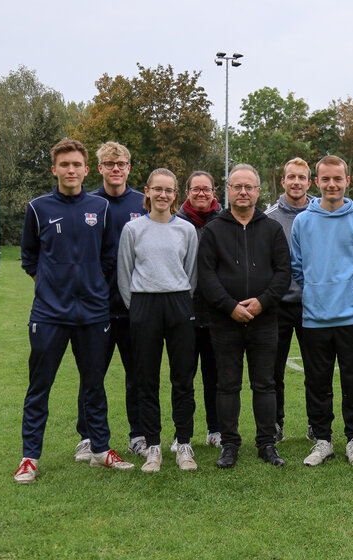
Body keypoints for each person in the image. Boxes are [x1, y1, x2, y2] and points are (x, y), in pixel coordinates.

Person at [15, 138, 134, 483]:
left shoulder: (100, 207)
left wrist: (92, 285)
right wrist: (51, 287)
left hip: (94, 314)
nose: (70, 170)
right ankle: (29, 458)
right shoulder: (38, 208)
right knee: (39, 386)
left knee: (94, 385)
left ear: (85, 169)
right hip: (49, 316)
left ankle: (100, 449)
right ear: (54, 169)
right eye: (64, 165)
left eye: (76, 165)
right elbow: (28, 257)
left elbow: (109, 257)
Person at [198, 164, 291, 469]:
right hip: (225, 322)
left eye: (249, 187)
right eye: (237, 186)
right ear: (228, 190)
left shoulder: (272, 228)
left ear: (258, 191)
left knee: (265, 384)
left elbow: (283, 273)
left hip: (264, 321)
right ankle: (230, 444)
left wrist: (261, 303)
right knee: (227, 385)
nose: (243, 192)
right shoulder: (213, 229)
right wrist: (230, 306)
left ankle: (266, 443)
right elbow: (206, 275)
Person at [290, 155, 353, 467]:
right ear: (316, 182)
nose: (332, 184)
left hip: (352, 317)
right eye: (325, 179)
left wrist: (350, 294)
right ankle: (323, 441)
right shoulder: (303, 221)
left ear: (347, 181)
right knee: (317, 383)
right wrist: (318, 289)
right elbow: (297, 267)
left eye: (337, 179)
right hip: (315, 317)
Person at [118, 168, 198, 472]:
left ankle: (183, 444)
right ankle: (153, 447)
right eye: (157, 189)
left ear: (176, 194)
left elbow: (191, 273)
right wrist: (137, 306)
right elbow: (124, 274)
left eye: (169, 190)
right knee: (146, 378)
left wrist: (180, 301)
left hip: (178, 303)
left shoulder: (186, 230)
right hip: (144, 305)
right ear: (147, 192)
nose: (163, 195)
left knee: (183, 378)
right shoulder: (133, 229)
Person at [75, 141, 147, 462]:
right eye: (109, 163)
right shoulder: (86, 203)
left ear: (129, 168)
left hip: (135, 309)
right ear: (100, 168)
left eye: (121, 164)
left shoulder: (142, 203)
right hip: (96, 309)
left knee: (138, 376)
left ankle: (139, 435)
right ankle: (88, 438)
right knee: (92, 376)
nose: (115, 169)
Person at [264, 157, 314, 442]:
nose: (296, 182)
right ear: (283, 181)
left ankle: (316, 424)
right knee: (273, 371)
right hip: (279, 305)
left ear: (309, 182)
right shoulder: (269, 217)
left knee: (315, 370)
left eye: (301, 177)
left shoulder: (323, 211)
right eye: (291, 177)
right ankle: (275, 424)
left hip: (313, 304)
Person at [175, 171, 222, 449]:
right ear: (187, 193)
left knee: (216, 376)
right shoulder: (175, 222)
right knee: (183, 376)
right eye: (196, 189)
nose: (201, 193)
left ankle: (215, 430)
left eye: (206, 189)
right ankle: (182, 434)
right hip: (184, 312)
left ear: (214, 192)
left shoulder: (225, 220)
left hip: (217, 312)